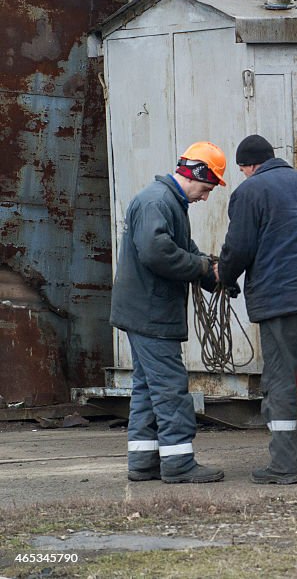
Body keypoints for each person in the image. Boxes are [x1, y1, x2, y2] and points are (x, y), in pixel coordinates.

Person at [217, 134, 297, 484]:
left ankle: (283, 467)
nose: (244, 176)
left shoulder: (251, 191)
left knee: (281, 380)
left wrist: (225, 277)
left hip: (280, 299)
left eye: (242, 169)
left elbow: (238, 247)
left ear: (250, 165)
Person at [110, 141, 227, 484]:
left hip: (146, 310)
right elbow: (157, 253)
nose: (206, 198)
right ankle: (178, 462)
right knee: (170, 387)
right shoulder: (157, 202)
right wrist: (204, 266)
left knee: (147, 388)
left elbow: (182, 250)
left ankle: (143, 461)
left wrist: (213, 274)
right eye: (206, 189)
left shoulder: (167, 203)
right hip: (152, 313)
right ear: (196, 175)